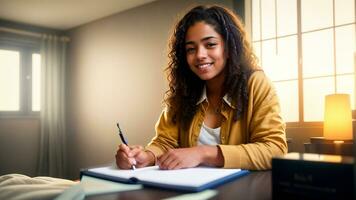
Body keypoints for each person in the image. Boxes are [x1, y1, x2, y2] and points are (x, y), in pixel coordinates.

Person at [115, 5, 287, 171]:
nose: (199, 55)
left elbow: (274, 150)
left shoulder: (256, 84)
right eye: (191, 49)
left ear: (228, 48)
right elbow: (165, 142)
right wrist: (146, 156)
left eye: (210, 45)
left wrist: (203, 153)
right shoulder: (184, 92)